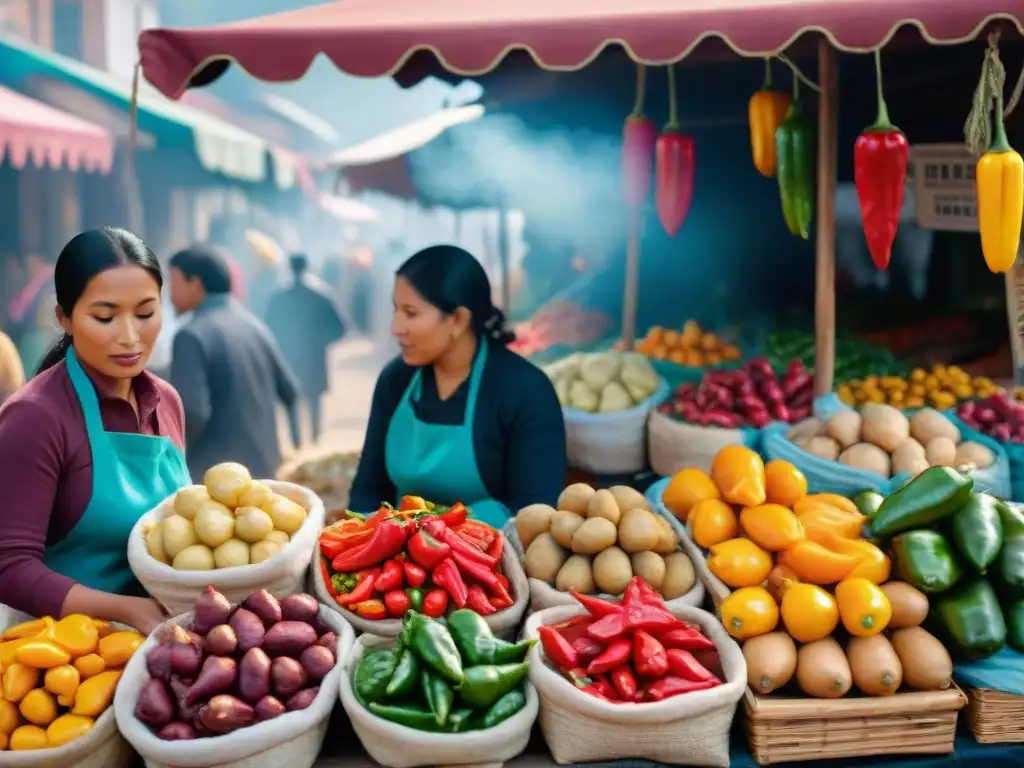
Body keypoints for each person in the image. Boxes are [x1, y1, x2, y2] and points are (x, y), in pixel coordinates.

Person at [0, 228, 188, 634]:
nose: (129, 337)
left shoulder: (167, 402)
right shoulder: (35, 418)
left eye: (145, 313)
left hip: (160, 640)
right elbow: (9, 567)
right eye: (105, 317)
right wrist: (125, 609)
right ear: (64, 318)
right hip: (62, 660)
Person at [349, 244, 566, 527]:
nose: (396, 327)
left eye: (411, 313)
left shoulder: (524, 391)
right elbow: (369, 490)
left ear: (458, 320)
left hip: (496, 561)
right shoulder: (396, 380)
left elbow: (535, 512)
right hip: (398, 559)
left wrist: (433, 531)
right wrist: (364, 541)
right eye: (396, 310)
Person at [169, 245, 300, 481]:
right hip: (266, 471)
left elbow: (193, 413)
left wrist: (170, 460)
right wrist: (295, 440)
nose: (169, 295)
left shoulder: (191, 335)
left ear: (196, 284)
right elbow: (290, 391)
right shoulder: (255, 326)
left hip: (218, 480)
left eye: (174, 284)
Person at [264, 254, 346, 445]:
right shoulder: (321, 295)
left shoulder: (278, 297)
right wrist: (320, 340)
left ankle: (297, 442)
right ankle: (315, 438)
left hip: (287, 356)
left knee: (290, 399)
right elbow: (340, 328)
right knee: (314, 399)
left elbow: (267, 326)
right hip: (313, 357)